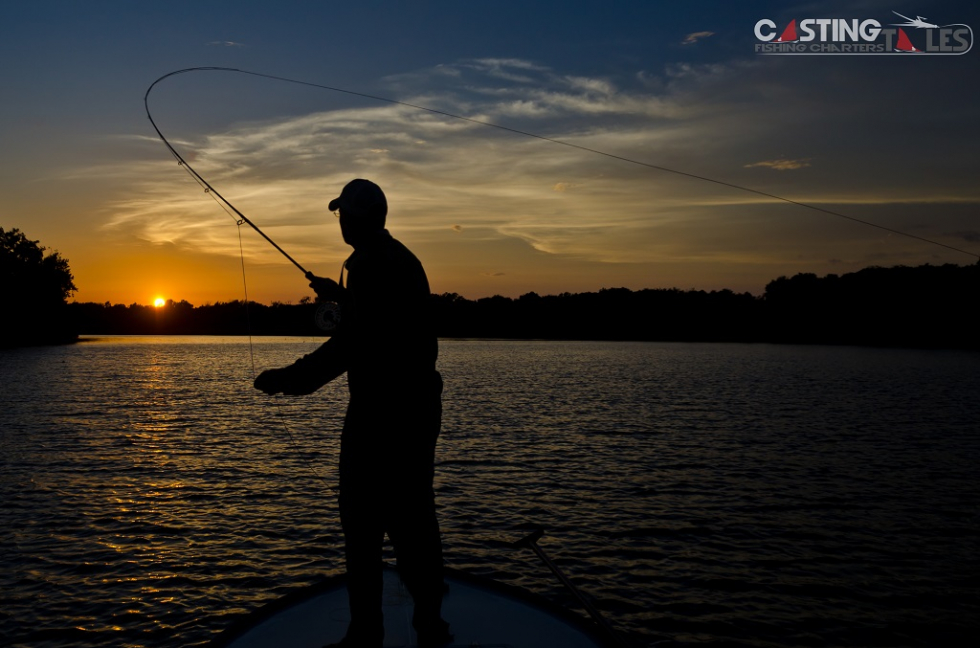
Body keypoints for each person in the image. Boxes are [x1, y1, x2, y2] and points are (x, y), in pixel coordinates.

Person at [253, 179, 451, 648]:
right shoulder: (399, 258)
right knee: (415, 519)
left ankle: (366, 636)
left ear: (359, 217)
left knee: (362, 526)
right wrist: (342, 298)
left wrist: (288, 379)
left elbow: (354, 344)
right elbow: (386, 322)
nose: (339, 220)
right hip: (417, 412)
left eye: (344, 213)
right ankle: (430, 626)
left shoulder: (366, 265)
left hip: (381, 418)